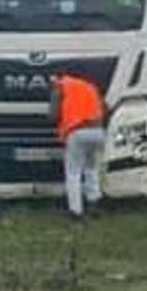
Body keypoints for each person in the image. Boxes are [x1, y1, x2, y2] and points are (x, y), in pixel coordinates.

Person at [53, 73, 106, 218]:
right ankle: (94, 204)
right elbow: (103, 107)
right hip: (98, 132)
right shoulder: (90, 87)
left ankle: (75, 211)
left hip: (77, 133)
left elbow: (53, 114)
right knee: (91, 169)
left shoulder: (61, 85)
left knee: (73, 173)